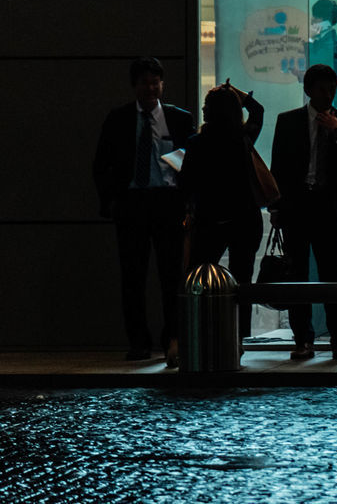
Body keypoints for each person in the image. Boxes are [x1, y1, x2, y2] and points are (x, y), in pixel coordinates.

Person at [92, 57, 194, 363]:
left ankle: (171, 340)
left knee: (170, 276)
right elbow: (101, 164)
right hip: (132, 204)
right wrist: (110, 201)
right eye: (144, 82)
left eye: (155, 82)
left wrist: (189, 203)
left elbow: (190, 164)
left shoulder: (179, 118)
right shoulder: (118, 118)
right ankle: (138, 343)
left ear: (162, 84)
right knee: (132, 277)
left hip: (167, 203)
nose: (150, 88)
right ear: (134, 85)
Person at [270, 64, 337, 361]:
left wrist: (336, 132)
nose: (328, 95)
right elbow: (278, 167)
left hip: (329, 207)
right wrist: (276, 207)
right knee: (298, 275)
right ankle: (303, 340)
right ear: (309, 90)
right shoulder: (288, 122)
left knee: (333, 276)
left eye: (332, 89)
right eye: (323, 89)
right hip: (298, 206)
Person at [179, 81, 266, 345]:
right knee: (242, 283)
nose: (203, 110)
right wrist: (240, 95)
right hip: (244, 220)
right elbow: (258, 111)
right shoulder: (242, 138)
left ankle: (202, 336)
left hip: (210, 221)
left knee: (198, 279)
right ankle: (238, 339)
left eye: (207, 107)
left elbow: (186, 183)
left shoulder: (197, 143)